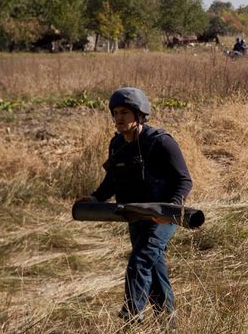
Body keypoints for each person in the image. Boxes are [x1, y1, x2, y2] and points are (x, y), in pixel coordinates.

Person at [75, 87, 192, 327]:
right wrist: (96, 198)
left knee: (139, 261)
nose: (118, 118)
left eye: (124, 112)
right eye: (115, 112)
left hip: (162, 218)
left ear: (139, 115)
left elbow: (184, 181)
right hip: (134, 216)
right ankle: (168, 325)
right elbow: (112, 180)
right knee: (155, 272)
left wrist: (168, 211)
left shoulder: (161, 142)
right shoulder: (117, 143)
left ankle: (131, 318)